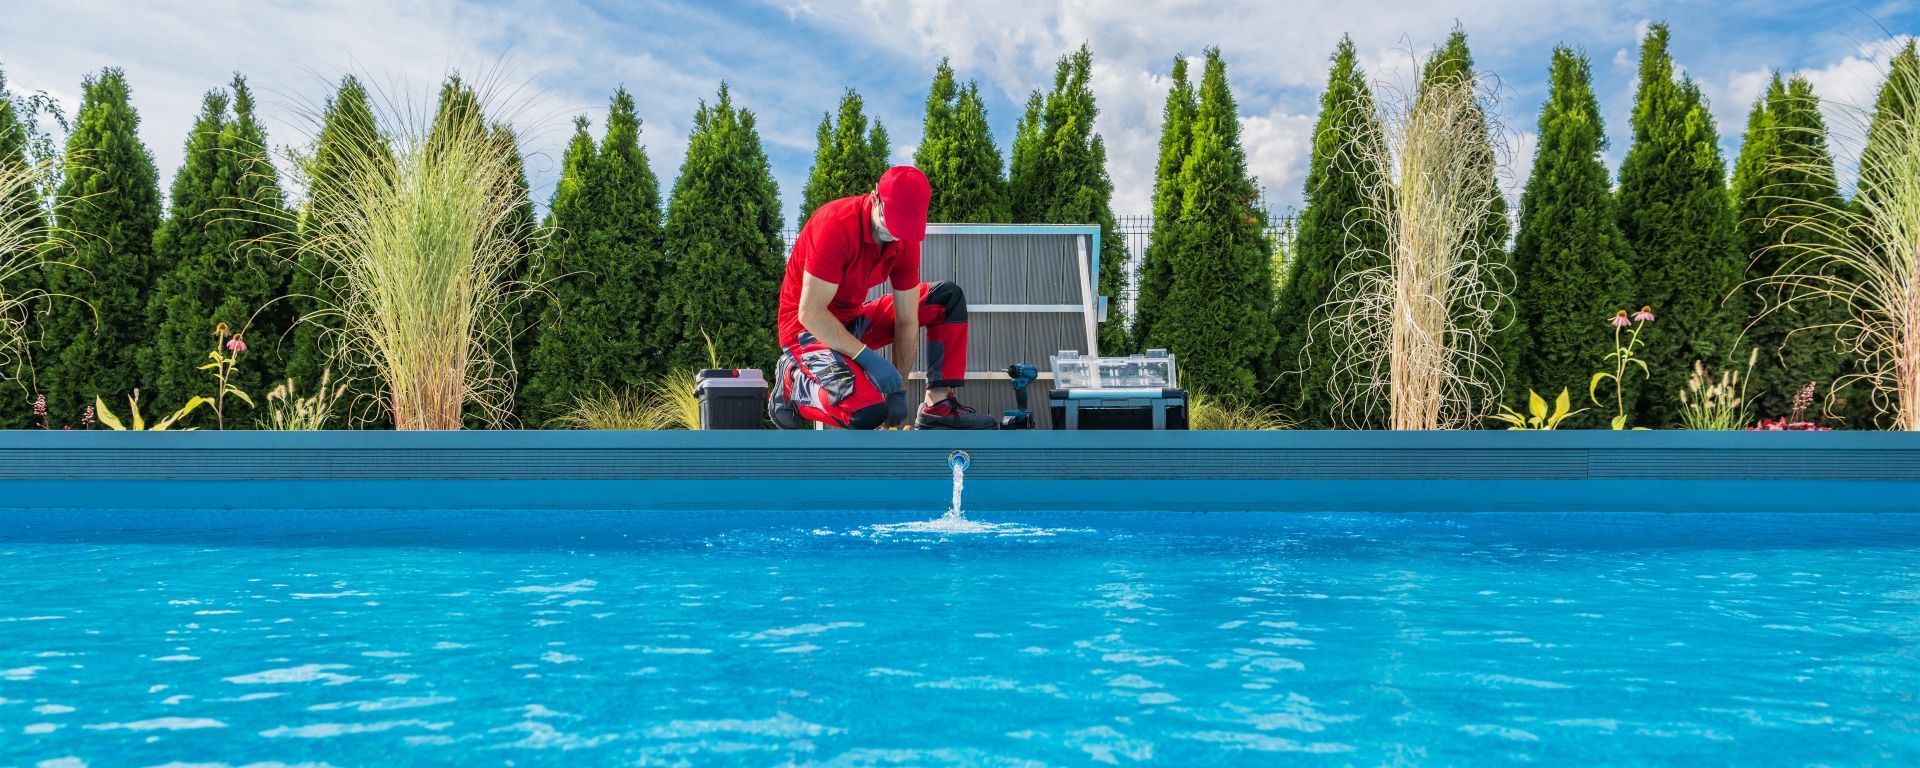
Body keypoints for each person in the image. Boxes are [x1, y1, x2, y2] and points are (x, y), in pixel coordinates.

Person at [770, 165, 997, 430]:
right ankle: (793, 387)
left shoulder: (904, 236)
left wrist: (897, 390)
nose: (897, 235)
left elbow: (907, 320)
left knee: (945, 298)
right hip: (807, 332)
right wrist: (868, 358)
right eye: (893, 222)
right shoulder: (834, 225)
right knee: (866, 413)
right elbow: (810, 313)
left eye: (905, 227)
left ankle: (938, 406)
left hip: (852, 322)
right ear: (875, 197)